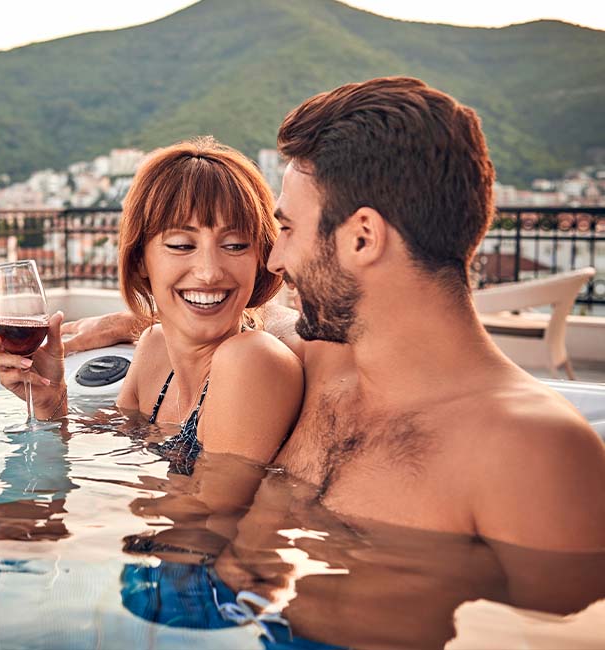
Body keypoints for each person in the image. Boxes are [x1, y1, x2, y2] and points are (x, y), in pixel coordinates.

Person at [64, 77, 605, 552]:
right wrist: (132, 321)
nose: (274, 258)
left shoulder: (534, 453)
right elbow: (244, 317)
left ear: (362, 237)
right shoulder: (318, 361)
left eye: (289, 229)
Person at [0, 137, 304, 475]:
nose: (209, 272)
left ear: (259, 260)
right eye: (181, 245)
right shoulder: (154, 351)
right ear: (140, 262)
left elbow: (211, 516)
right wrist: (51, 402)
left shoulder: (253, 359)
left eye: (236, 245)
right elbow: (116, 456)